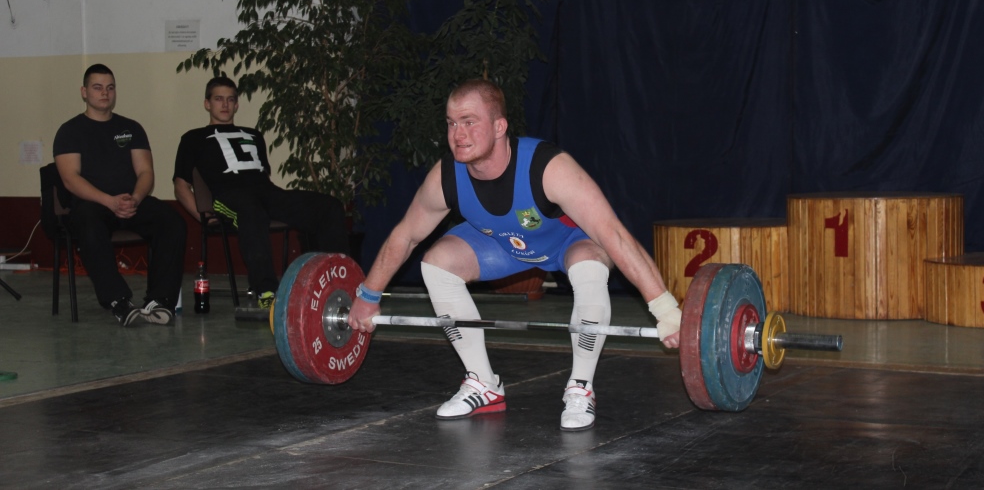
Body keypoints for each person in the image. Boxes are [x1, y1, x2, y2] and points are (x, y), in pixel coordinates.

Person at [348, 79, 682, 431]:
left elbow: (613, 235)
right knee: (437, 264)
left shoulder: (548, 167)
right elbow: (406, 236)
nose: (458, 134)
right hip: (503, 245)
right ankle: (483, 384)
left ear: (499, 126)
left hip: (569, 242)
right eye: (451, 123)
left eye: (469, 121)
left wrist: (665, 311)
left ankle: (581, 386)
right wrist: (368, 296)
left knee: (589, 267)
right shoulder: (446, 176)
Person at [173, 76, 350, 309]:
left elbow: (263, 177)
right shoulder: (193, 138)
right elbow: (181, 186)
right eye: (218, 99)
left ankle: (335, 281)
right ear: (207, 104)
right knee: (251, 210)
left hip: (266, 193)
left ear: (237, 104)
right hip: (227, 198)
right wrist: (202, 217)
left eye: (230, 99)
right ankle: (266, 290)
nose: (225, 105)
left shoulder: (253, 135)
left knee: (328, 206)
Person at [53, 63, 186, 327]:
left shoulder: (131, 127)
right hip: (92, 204)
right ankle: (118, 301)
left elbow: (146, 172)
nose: (105, 93)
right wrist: (109, 201)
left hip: (130, 202)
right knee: (89, 224)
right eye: (97, 87)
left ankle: (160, 301)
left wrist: (134, 198)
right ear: (84, 92)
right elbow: (70, 179)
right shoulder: (70, 131)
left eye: (110, 88)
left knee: (172, 221)